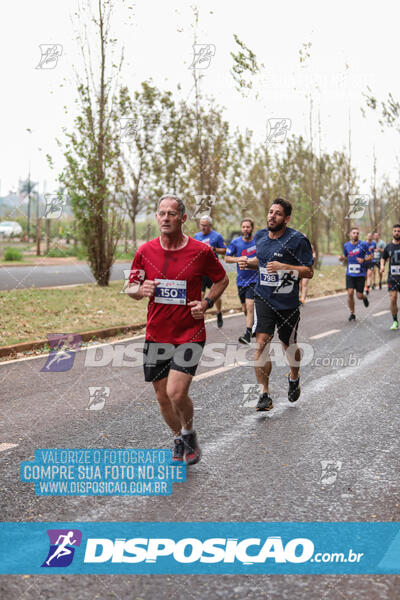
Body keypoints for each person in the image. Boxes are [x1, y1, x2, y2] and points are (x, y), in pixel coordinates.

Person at [128, 195, 229, 464]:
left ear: (183, 218)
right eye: (161, 213)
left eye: (171, 213)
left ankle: (189, 432)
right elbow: (131, 287)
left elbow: (221, 279)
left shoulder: (200, 251)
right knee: (162, 398)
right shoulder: (145, 251)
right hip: (156, 335)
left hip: (189, 335)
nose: (165, 218)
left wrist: (207, 302)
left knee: (176, 392)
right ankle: (178, 437)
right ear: (157, 217)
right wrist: (140, 290)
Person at [237, 198, 314, 411]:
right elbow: (262, 263)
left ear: (286, 219)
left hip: (287, 301)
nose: (272, 216)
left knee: (288, 346)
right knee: (261, 343)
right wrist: (248, 263)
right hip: (263, 297)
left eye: (277, 213)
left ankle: (294, 376)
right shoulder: (260, 236)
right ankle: (264, 394)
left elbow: (308, 271)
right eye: (270, 212)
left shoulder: (298, 240)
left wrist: (285, 267)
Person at [225, 218, 258, 344]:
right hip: (241, 281)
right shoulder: (235, 242)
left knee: (250, 306)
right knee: (245, 309)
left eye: (248, 227)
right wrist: (239, 259)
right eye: (243, 227)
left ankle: (248, 334)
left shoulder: (257, 242)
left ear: (252, 228)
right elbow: (227, 258)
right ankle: (252, 324)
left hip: (254, 280)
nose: (245, 229)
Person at [194, 215, 227, 328]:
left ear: (210, 225)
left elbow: (225, 250)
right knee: (200, 294)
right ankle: (200, 318)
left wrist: (214, 249)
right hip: (200, 270)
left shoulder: (217, 236)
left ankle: (218, 313)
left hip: (213, 270)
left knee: (215, 295)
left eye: (205, 225)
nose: (203, 227)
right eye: (202, 225)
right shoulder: (196, 236)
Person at [339, 227, 370, 321]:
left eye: (357, 233)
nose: (355, 234)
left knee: (359, 296)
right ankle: (352, 313)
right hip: (350, 273)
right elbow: (345, 255)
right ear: (350, 234)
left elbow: (371, 256)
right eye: (354, 233)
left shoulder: (363, 244)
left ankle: (364, 297)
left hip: (360, 274)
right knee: (350, 292)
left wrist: (364, 259)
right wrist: (341, 258)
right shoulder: (346, 245)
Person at [380, 224, 400, 330]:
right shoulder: (388, 247)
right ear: (392, 232)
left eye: (398, 231)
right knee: (393, 299)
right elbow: (383, 258)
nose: (397, 232)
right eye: (395, 231)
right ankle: (395, 321)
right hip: (392, 277)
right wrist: (382, 266)